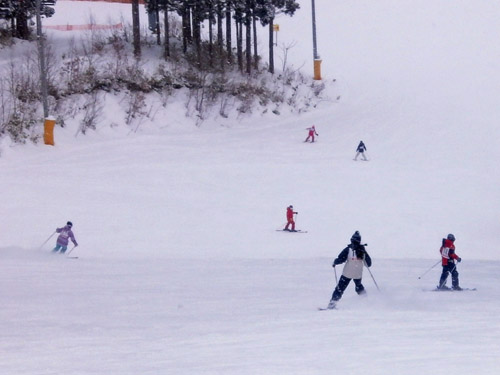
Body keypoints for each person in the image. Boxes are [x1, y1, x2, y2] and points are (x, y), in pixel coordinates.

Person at [327, 231, 372, 309]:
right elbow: (368, 264)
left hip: (347, 273)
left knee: (339, 289)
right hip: (358, 274)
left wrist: (335, 262)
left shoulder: (348, 249)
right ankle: (367, 301)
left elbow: (341, 259)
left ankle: (332, 305)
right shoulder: (362, 250)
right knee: (358, 287)